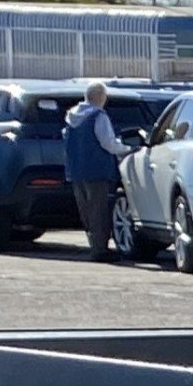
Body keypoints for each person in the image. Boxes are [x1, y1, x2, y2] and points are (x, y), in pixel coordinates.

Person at [63, 81, 128, 258]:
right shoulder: (98, 116)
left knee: (86, 212)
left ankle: (94, 246)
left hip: (76, 171)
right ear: (100, 97)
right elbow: (108, 143)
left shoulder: (71, 117)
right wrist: (127, 149)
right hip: (98, 170)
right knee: (98, 211)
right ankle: (100, 250)